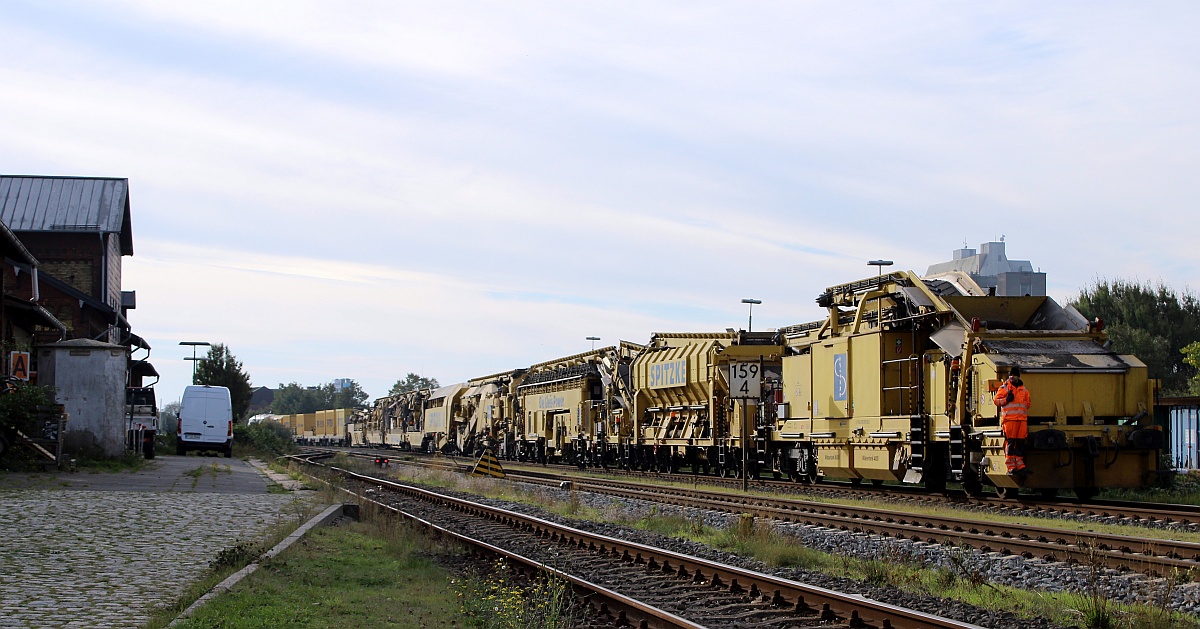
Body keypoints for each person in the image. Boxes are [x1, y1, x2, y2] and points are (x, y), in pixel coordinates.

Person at [995, 366, 1030, 476]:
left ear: (1018, 376)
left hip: (1021, 421)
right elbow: (996, 401)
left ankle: (1020, 465)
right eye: (1010, 375)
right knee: (1010, 443)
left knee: (1020, 443)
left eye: (1014, 375)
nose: (1011, 377)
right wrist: (1006, 399)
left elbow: (1028, 404)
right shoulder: (1004, 388)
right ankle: (1011, 467)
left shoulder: (1024, 390)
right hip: (1009, 421)